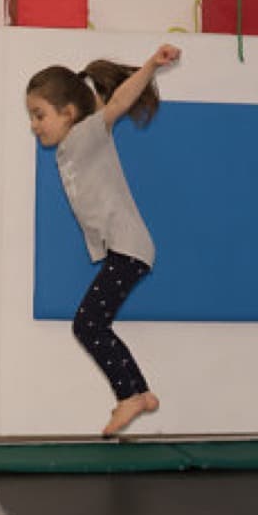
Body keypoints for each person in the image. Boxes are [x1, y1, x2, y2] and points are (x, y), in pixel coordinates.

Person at [26, 44, 179, 437]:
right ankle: (140, 393)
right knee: (95, 323)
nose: (34, 124)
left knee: (87, 323)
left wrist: (150, 65)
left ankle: (130, 396)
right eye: (32, 116)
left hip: (129, 246)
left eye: (39, 114)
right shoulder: (68, 148)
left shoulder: (88, 133)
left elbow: (120, 102)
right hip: (125, 248)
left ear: (69, 113)